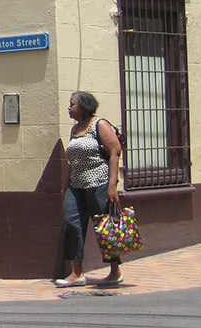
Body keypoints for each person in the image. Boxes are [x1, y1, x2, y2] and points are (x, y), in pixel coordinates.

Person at [57, 91, 123, 287]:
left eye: (72, 104)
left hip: (99, 184)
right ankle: (76, 273)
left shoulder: (99, 124)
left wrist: (112, 185)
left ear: (84, 107)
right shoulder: (75, 129)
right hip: (76, 185)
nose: (69, 108)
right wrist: (65, 188)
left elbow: (115, 152)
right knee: (71, 223)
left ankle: (115, 270)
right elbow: (72, 162)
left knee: (104, 226)